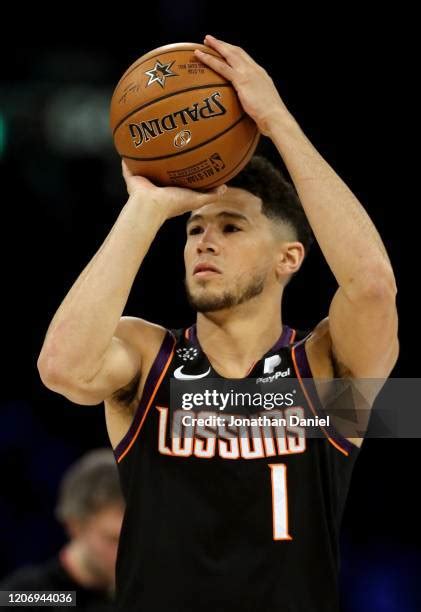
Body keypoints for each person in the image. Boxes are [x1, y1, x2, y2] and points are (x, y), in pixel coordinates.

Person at [37, 35, 399, 612]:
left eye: (231, 228)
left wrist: (276, 120)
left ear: (289, 258)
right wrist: (147, 209)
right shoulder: (148, 357)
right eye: (194, 229)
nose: (205, 240)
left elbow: (374, 287)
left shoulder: (326, 377)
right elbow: (60, 368)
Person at [0, 449, 124, 611]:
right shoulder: (27, 596)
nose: (126, 552)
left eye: (133, 539)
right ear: (75, 526)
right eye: (112, 539)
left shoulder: (145, 596)